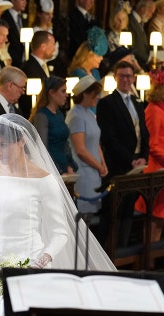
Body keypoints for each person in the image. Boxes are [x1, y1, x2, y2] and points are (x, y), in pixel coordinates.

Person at [0, 113, 116, 313]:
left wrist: (40, 262)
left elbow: (60, 232)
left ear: (21, 141)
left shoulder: (44, 181)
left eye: (3, 145)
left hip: (30, 263)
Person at [96, 60, 149, 247]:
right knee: (114, 213)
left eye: (129, 76)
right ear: (116, 78)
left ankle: (124, 251)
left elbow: (143, 132)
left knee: (128, 211)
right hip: (118, 167)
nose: (126, 80)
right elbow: (109, 139)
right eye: (122, 76)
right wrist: (131, 159)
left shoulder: (137, 101)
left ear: (134, 78)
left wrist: (144, 156)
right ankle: (110, 254)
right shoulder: (107, 103)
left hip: (136, 166)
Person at [65, 75, 107, 219]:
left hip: (94, 171)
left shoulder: (89, 113)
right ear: (85, 94)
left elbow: (96, 143)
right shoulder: (76, 116)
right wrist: (99, 166)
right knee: (83, 220)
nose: (98, 97)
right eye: (95, 94)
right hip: (84, 173)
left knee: (91, 218)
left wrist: (103, 163)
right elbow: (81, 150)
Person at [135, 69, 164, 242]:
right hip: (157, 168)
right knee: (154, 217)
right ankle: (149, 259)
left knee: (160, 217)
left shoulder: (163, 109)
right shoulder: (153, 110)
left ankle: (154, 258)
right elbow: (152, 144)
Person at [29, 76, 76, 175]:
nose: (66, 95)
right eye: (63, 91)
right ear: (52, 93)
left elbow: (65, 143)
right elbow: (43, 148)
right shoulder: (42, 116)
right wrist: (59, 169)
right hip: (52, 168)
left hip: (64, 166)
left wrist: (69, 165)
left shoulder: (59, 113)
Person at [19, 30, 55, 119]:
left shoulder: (44, 65)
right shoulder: (28, 68)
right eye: (52, 45)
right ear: (43, 46)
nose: (54, 48)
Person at [128, 0, 156, 70]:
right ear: (142, 9)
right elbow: (131, 47)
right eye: (150, 12)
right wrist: (148, 58)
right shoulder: (130, 21)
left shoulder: (140, 23)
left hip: (143, 65)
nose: (151, 16)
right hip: (134, 67)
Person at [1, 0, 26, 68]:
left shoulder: (24, 17)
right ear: (13, 0)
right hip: (10, 61)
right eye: (22, 0)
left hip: (23, 61)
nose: (25, 2)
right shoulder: (4, 17)